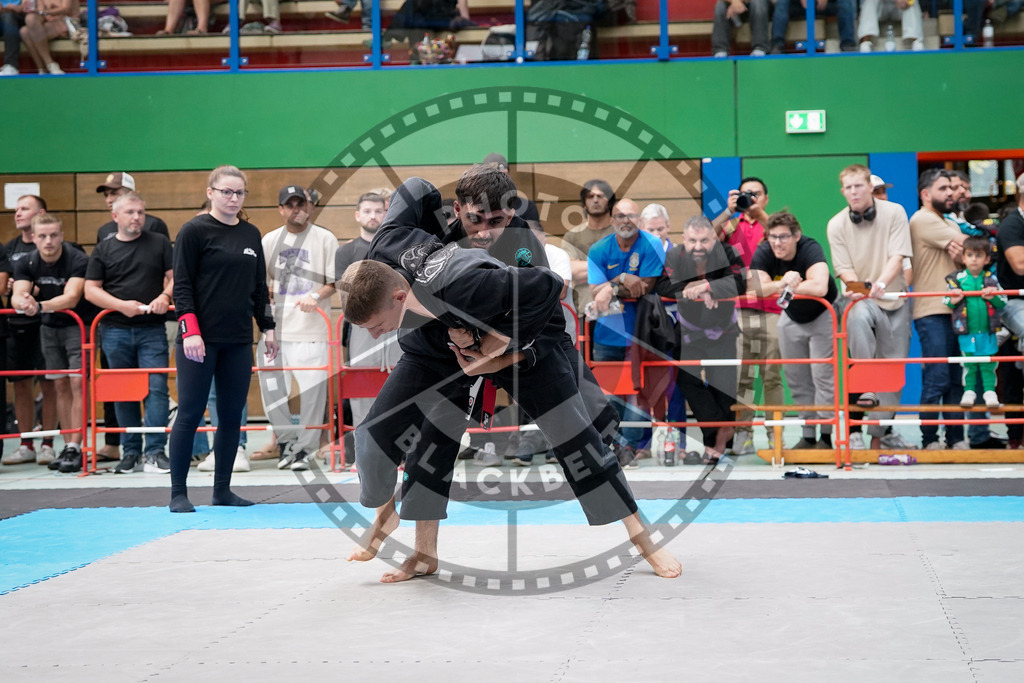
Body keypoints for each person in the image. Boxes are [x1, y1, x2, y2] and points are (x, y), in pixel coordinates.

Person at [342, 171, 679, 582]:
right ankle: (424, 552)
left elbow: (545, 300)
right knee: (429, 438)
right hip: (440, 348)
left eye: (496, 221)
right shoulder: (421, 231)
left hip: (526, 343)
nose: (485, 231)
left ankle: (644, 540)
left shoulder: (520, 245)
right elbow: (414, 189)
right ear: (458, 209)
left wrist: (497, 350)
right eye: (475, 219)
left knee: (577, 436)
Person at [167, 165, 278, 513]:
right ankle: (178, 493)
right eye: (227, 191)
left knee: (231, 417)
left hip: (238, 340)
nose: (233, 198)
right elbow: (182, 286)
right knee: (189, 413)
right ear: (211, 192)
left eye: (240, 192)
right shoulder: (194, 231)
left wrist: (268, 327)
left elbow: (259, 288)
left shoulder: (250, 234)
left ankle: (222, 490)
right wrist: (190, 330)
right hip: (198, 340)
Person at [827, 164, 915, 451]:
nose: (854, 192)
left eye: (859, 186)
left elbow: (897, 255)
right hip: (860, 299)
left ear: (869, 186)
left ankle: (878, 435)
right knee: (858, 318)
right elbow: (844, 271)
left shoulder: (895, 213)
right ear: (842, 192)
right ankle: (864, 387)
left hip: (895, 298)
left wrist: (881, 282)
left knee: (893, 373)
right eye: (848, 187)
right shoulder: (836, 224)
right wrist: (863, 289)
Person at [84, 192, 174, 475]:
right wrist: (121, 306)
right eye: (130, 212)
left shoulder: (159, 242)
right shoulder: (104, 248)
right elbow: (90, 290)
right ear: (115, 216)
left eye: (140, 212)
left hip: (152, 329)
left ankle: (155, 452)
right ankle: (130, 452)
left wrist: (164, 296)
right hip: (115, 330)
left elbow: (176, 278)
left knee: (157, 390)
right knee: (123, 393)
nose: (137, 218)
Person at [257, 186, 336, 471]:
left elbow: (334, 280)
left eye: (301, 204)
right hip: (274, 332)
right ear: (280, 209)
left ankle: (306, 449)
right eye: (289, 205)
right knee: (272, 393)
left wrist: (314, 296)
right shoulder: (269, 240)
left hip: (311, 331)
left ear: (310, 207)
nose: (296, 210)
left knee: (313, 395)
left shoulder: (324, 238)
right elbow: (260, 281)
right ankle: (287, 443)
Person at [656, 215, 745, 463]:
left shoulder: (728, 252)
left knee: (723, 387)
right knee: (688, 381)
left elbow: (741, 282)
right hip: (689, 332)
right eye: (692, 240)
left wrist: (710, 286)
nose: (698, 246)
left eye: (704, 240)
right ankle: (717, 431)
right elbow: (662, 286)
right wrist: (693, 287)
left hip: (724, 331)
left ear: (714, 238)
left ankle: (715, 447)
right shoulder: (674, 256)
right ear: (683, 239)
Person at [11, 213, 94, 473]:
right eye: (43, 236)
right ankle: (68, 443)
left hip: (78, 325)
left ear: (62, 235)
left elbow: (71, 297)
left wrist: (37, 306)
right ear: (33, 238)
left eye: (54, 235)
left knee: (78, 382)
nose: (49, 241)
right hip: (49, 327)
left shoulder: (77, 258)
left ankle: (77, 446)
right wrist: (22, 303)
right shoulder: (26, 261)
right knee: (59, 385)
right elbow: (17, 295)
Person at [749, 211, 838, 449]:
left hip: (823, 313)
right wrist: (783, 282)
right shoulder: (765, 250)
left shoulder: (810, 247)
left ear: (796, 236)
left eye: (784, 237)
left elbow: (819, 286)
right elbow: (756, 287)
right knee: (797, 379)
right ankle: (808, 434)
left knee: (823, 376)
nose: (777, 242)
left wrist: (778, 286)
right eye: (773, 237)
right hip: (792, 316)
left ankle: (827, 435)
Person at [587, 198, 665, 462]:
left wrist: (610, 287)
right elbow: (595, 291)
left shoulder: (652, 244)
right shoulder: (599, 249)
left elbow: (644, 286)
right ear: (612, 221)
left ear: (639, 221)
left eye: (631, 215)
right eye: (620, 216)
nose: (625, 221)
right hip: (606, 335)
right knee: (608, 395)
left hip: (640, 334)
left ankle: (629, 447)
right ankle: (609, 445)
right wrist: (619, 279)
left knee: (637, 395)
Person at [712, 177, 783, 455]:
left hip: (773, 309)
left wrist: (759, 213)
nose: (751, 198)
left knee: (772, 377)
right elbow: (707, 237)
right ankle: (744, 433)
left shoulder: (774, 225)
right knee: (742, 376)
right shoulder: (732, 226)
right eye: (746, 194)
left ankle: (775, 434)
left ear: (766, 198)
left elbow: (781, 236)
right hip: (738, 310)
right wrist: (730, 210)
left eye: (756, 194)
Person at [334, 189, 402, 467]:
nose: (373, 216)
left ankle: (401, 452)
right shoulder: (346, 251)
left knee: (400, 384)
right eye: (367, 211)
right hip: (361, 329)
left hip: (396, 325)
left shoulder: (396, 246)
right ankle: (366, 455)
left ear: (386, 213)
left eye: (378, 211)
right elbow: (346, 295)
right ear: (357, 215)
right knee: (362, 388)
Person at [909, 169, 969, 450]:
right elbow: (974, 248)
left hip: (955, 310)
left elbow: (969, 257)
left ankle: (955, 439)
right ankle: (930, 439)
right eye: (943, 188)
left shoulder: (947, 223)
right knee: (937, 377)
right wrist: (970, 253)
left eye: (953, 188)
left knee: (956, 377)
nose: (950, 193)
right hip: (931, 310)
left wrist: (967, 257)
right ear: (925, 194)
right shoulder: (922, 219)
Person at [1, 195, 58, 466]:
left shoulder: (58, 248)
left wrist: (32, 291)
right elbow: (7, 288)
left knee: (49, 384)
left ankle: (47, 443)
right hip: (17, 327)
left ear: (40, 212)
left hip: (47, 324)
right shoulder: (10, 249)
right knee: (21, 385)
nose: (18, 213)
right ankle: (26, 443)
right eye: (16, 209)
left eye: (24, 208)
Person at [945, 235, 1006, 410]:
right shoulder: (957, 280)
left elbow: (1003, 302)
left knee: (988, 363)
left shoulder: (992, 280)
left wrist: (993, 297)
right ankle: (969, 391)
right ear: (963, 257)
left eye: (979, 255)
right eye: (970, 255)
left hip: (988, 332)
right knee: (969, 364)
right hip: (966, 331)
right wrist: (954, 298)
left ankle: (989, 392)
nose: (974, 259)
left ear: (987, 259)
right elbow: (946, 301)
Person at [561, 179, 615, 315]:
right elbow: (570, 271)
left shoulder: (619, 234)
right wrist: (611, 267)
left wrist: (583, 268)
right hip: (582, 309)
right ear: (584, 204)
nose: (595, 200)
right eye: (590, 197)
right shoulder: (572, 236)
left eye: (600, 196)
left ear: (609, 201)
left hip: (617, 308)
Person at [94, 173, 170, 243]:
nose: (109, 200)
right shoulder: (104, 231)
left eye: (114, 193)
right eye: (106, 195)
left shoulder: (153, 225)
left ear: (130, 195)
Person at [771, 0, 857, 53]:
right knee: (782, 2)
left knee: (846, 1)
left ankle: (848, 44)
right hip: (800, 6)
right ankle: (777, 45)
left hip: (825, 6)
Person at [18, 0, 77, 75]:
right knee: (24, 30)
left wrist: (46, 12)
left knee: (30, 32)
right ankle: (42, 68)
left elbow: (66, 9)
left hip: (67, 21)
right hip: (50, 21)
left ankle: (50, 64)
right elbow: (41, 9)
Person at [857, 0, 924, 52]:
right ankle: (865, 42)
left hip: (900, 8)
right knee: (869, 1)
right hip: (880, 8)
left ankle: (916, 41)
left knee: (912, 2)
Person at [1, 0, 24, 75]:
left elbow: (27, 5)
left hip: (18, 16)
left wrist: (19, 8)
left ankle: (11, 65)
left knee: (8, 17)